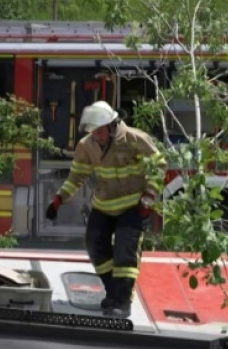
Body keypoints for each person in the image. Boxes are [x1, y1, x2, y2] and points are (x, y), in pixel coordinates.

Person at [45, 101, 165, 318]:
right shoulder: (86, 145)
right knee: (94, 245)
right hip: (103, 206)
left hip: (133, 207)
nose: (97, 136)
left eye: (100, 131)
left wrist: (149, 197)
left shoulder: (134, 139)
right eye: (93, 132)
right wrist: (59, 198)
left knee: (124, 251)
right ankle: (114, 292)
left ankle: (122, 302)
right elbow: (77, 175)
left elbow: (159, 165)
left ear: (111, 126)